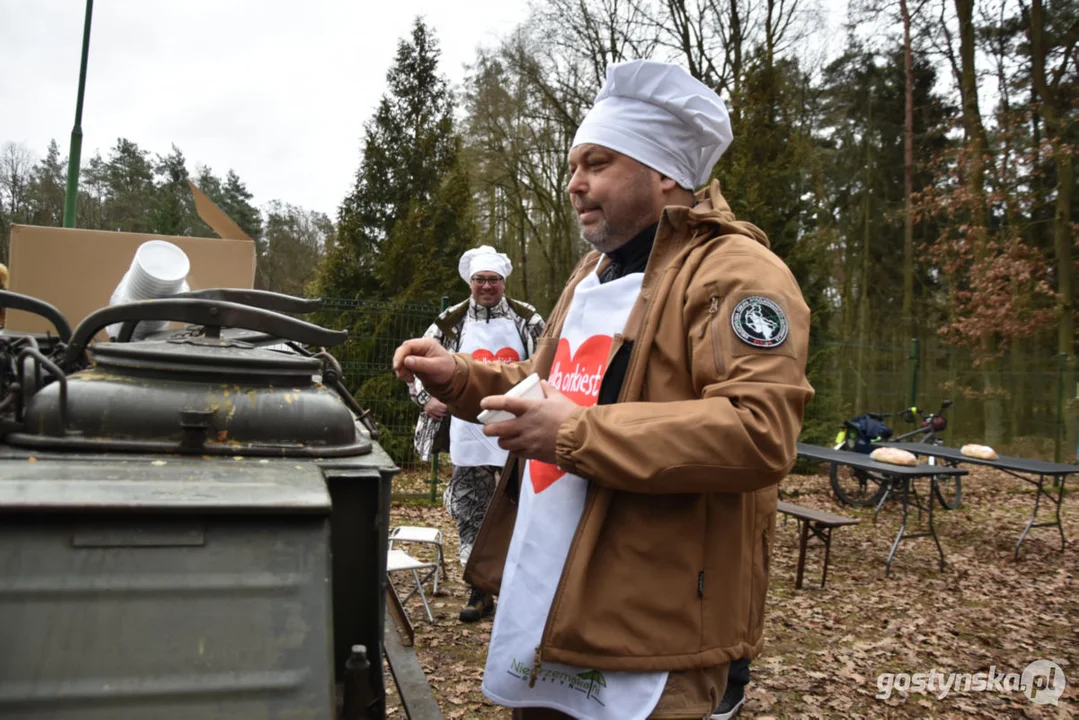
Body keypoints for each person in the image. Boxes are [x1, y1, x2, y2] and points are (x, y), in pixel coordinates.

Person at [394, 59, 813, 720]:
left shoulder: (737, 273)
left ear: (664, 172)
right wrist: (464, 377)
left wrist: (571, 435)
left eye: (594, 164)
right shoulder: (592, 274)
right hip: (550, 593)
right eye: (570, 168)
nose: (574, 185)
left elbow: (758, 433)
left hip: (652, 624)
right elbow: (552, 386)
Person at [408, 245, 545, 623]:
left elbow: (549, 366)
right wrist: (426, 400)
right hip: (467, 433)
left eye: (494, 280)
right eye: (481, 280)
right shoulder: (449, 323)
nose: (487, 287)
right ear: (471, 282)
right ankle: (479, 591)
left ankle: (521, 590)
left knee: (523, 510)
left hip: (516, 430)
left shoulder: (527, 319)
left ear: (504, 282)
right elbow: (417, 363)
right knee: (471, 512)